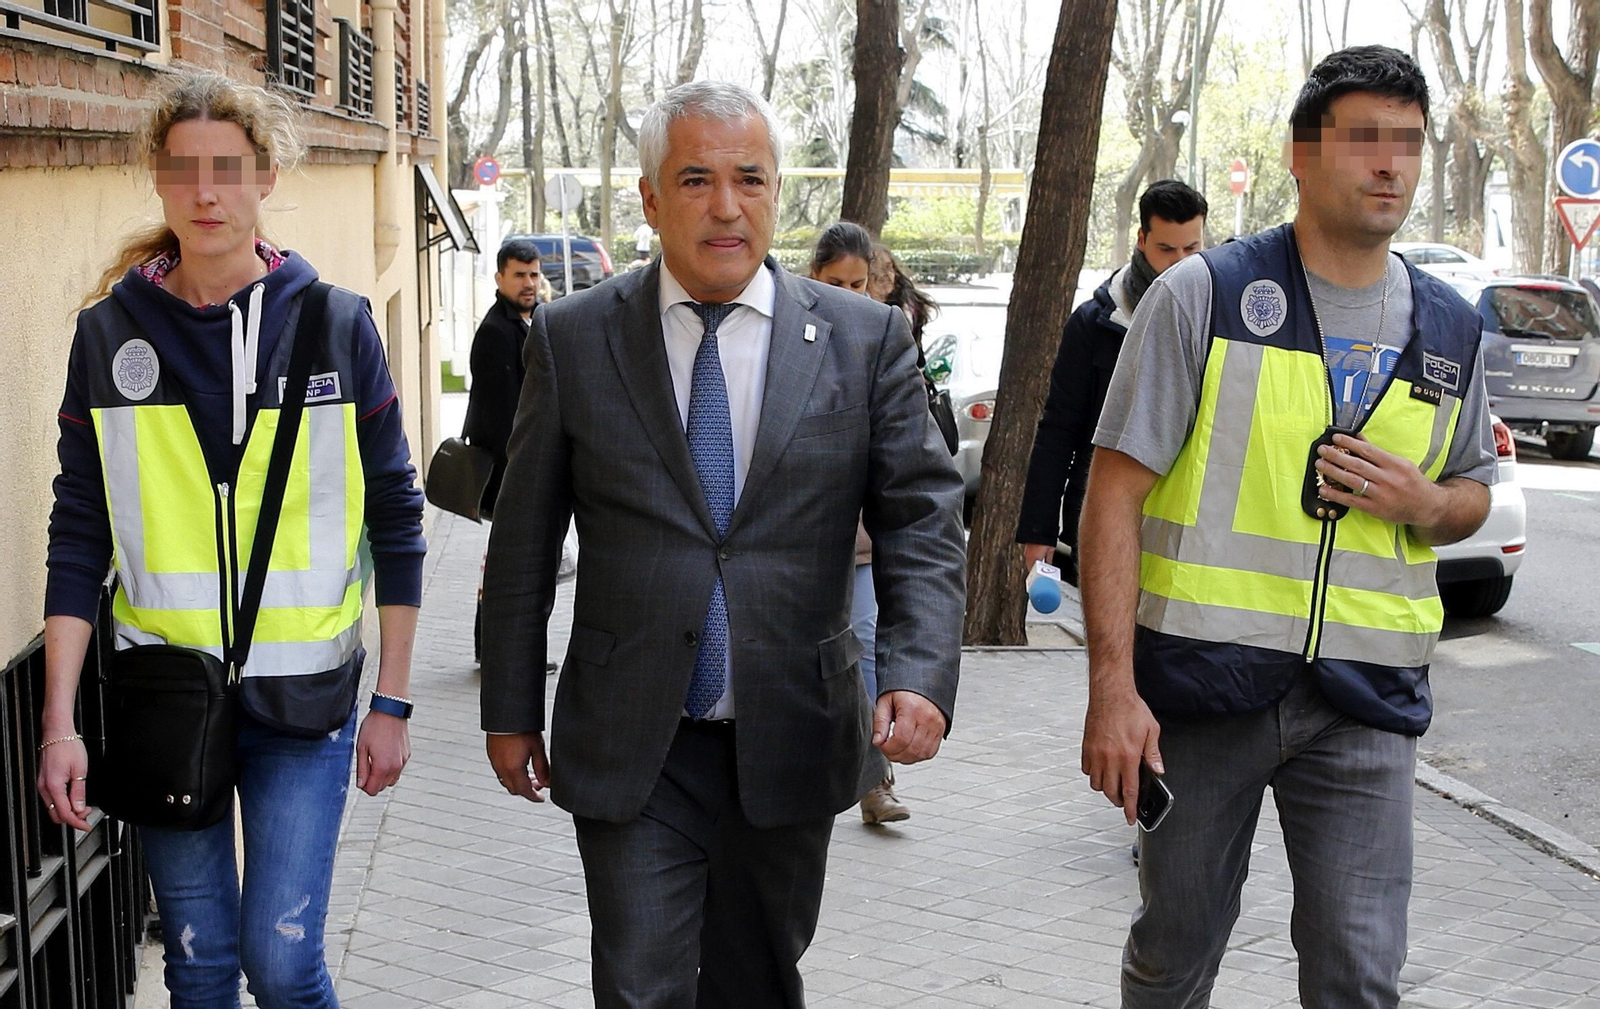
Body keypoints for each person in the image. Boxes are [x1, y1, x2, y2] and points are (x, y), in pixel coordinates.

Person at [479, 81, 966, 1007]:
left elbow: (921, 518)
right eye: (696, 179)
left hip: (789, 726)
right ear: (651, 197)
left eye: (751, 178)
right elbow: (525, 536)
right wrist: (508, 703)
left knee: (758, 982)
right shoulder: (576, 338)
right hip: (633, 738)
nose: (726, 205)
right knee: (638, 986)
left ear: (778, 193)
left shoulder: (862, 341)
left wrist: (920, 669)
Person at [1078, 46, 1495, 1008]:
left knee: (1359, 969)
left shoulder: (1452, 329)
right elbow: (1113, 493)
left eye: (1409, 144)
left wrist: (1428, 505)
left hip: (1367, 700)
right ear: (1300, 156)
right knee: (1175, 948)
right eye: (1364, 140)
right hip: (1200, 686)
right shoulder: (1205, 296)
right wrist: (1111, 687)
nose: (1391, 164)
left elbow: (1471, 487)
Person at [39, 70, 426, 1007]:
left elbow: (399, 517)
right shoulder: (108, 337)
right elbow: (78, 533)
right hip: (167, 698)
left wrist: (395, 700)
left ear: (266, 179)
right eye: (183, 170)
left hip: (307, 701)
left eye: (228, 169)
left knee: (283, 963)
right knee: (200, 965)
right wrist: (59, 723)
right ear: (159, 183)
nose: (206, 192)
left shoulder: (337, 326)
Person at [1016, 181, 1207, 586]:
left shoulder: (1216, 315)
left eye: (1192, 249)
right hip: (1107, 513)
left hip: (1190, 523)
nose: (1180, 263)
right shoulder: (1093, 323)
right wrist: (1039, 531)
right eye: (1166, 250)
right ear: (1141, 240)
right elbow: (1058, 430)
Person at [809, 221, 910, 824]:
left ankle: (877, 782)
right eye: (835, 281)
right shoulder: (788, 334)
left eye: (859, 282)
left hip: (864, 541)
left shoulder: (883, 339)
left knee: (869, 652)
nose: (849, 292)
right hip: (804, 542)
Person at [463, 237, 543, 518]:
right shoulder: (495, 332)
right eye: (519, 275)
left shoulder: (542, 318)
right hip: (513, 471)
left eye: (534, 274)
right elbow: (500, 416)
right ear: (500, 278)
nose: (529, 283)